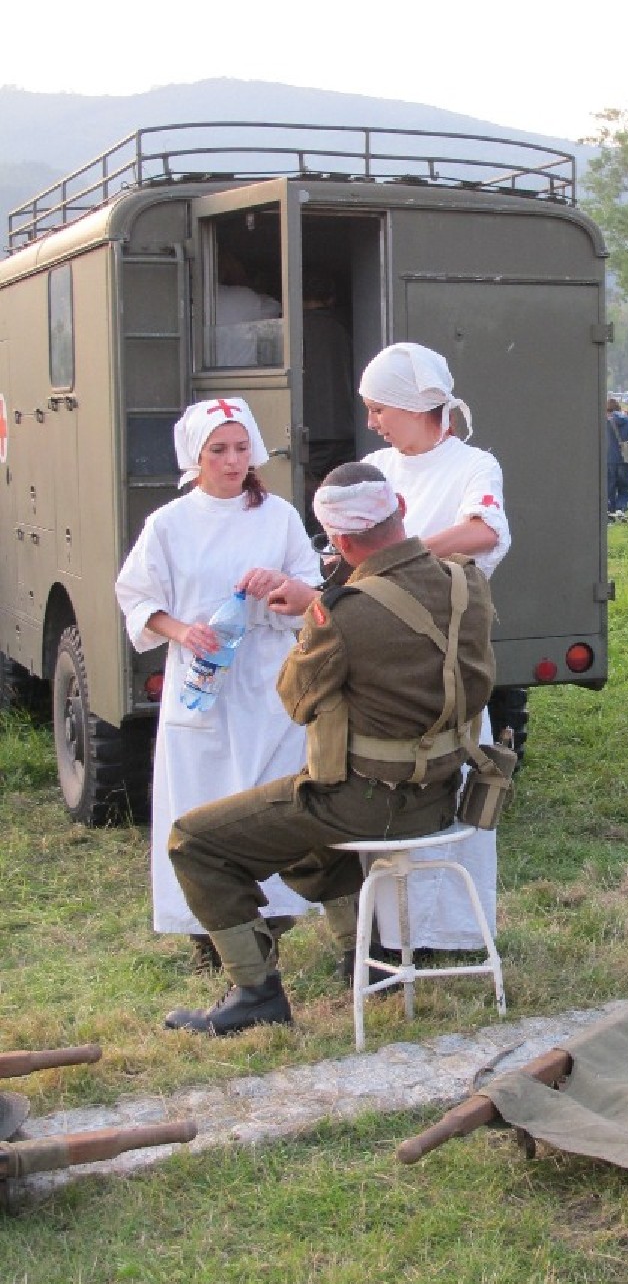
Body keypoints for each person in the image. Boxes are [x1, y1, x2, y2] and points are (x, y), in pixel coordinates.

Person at [163, 463, 496, 1035]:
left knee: (194, 842)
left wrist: (314, 618)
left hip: (366, 803)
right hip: (444, 794)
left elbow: (295, 701)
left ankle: (255, 991)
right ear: (401, 510)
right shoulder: (465, 583)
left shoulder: (339, 613)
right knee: (304, 843)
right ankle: (360, 953)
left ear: (339, 541)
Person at [115, 397, 322, 969]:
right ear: (196, 457)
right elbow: (137, 597)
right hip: (203, 683)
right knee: (200, 800)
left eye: (240, 449)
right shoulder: (169, 524)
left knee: (268, 798)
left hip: (266, 678)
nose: (232, 461)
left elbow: (310, 590)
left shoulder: (278, 517)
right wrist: (184, 631)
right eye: (219, 450)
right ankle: (209, 930)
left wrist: (278, 585)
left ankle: (269, 922)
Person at [357, 342, 511, 960]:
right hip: (381, 662)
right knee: (386, 789)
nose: (373, 422)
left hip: (446, 658)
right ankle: (389, 934)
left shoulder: (473, 465)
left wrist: (405, 558)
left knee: (451, 787)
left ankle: (453, 931)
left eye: (379, 409)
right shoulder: (376, 467)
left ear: (413, 406)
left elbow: (483, 530)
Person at [301, 266, 356, 530]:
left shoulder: (290, 332)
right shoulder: (348, 327)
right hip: (347, 428)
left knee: (308, 499)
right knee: (346, 498)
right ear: (332, 297)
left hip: (308, 432)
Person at [213, 251, 282, 368]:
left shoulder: (188, 300)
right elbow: (275, 309)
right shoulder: (244, 297)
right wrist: (243, 281)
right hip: (242, 376)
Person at [606, 397, 628, 514]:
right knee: (624, 488)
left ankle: (609, 512)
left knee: (609, 489)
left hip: (607, 461)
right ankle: (620, 510)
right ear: (618, 408)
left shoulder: (601, 422)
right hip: (625, 460)